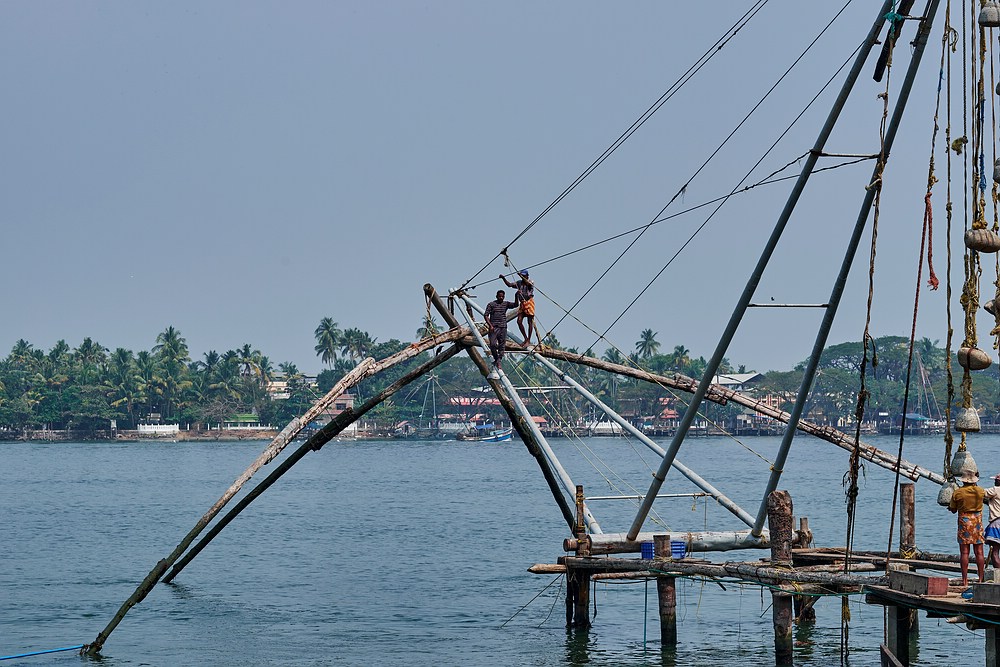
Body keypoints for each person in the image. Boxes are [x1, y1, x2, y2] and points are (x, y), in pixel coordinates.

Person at [949, 468, 986, 590]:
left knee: (964, 552)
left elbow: (953, 509)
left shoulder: (958, 493)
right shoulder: (980, 491)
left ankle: (964, 581)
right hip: (977, 522)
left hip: (964, 522)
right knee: (979, 552)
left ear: (963, 481)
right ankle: (980, 579)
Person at [500, 269, 538, 348]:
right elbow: (509, 285)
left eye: (524, 276)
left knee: (529, 322)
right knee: (519, 321)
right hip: (522, 303)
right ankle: (525, 338)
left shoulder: (531, 282)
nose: (523, 277)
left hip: (529, 302)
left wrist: (520, 276)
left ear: (527, 276)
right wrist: (503, 278)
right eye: (522, 275)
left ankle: (528, 340)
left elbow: (528, 283)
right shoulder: (519, 283)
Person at [483, 289, 517, 378]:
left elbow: (516, 305)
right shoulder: (491, 304)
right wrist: (490, 326)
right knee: (493, 344)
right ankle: (497, 360)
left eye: (502, 296)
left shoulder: (505, 304)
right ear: (496, 296)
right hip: (494, 327)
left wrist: (516, 295)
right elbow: (485, 315)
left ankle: (498, 361)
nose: (501, 298)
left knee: (502, 346)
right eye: (500, 296)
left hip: (503, 327)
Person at [985, 473, 1000, 569]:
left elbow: (980, 492)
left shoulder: (995, 490)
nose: (995, 481)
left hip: (997, 522)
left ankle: (998, 575)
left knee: (995, 552)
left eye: (996, 480)